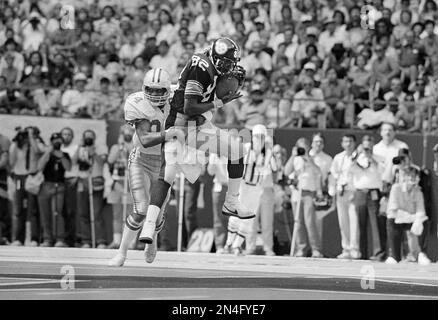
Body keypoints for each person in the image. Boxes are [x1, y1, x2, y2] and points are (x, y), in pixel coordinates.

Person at [137, 38, 251, 256]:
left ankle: (231, 202)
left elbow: (199, 109)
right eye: (226, 63)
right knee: (168, 173)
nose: (229, 68)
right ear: (215, 56)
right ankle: (149, 225)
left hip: (197, 124)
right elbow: (190, 107)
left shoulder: (213, 64)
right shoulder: (202, 66)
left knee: (237, 150)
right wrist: (220, 102)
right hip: (180, 123)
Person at [108, 67, 182, 266]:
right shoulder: (136, 102)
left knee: (157, 213)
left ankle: (153, 241)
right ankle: (122, 253)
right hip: (141, 159)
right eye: (152, 89)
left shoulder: (178, 96)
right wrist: (169, 134)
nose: (156, 94)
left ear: (168, 90)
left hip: (165, 162)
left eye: (160, 90)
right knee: (141, 209)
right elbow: (145, 139)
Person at [223, 125, 275, 256]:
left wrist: (269, 155)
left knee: (249, 218)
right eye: (257, 136)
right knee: (235, 215)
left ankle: (237, 245)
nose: (259, 139)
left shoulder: (268, 152)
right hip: (243, 185)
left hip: (257, 188)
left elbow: (272, 168)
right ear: (253, 137)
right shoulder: (246, 148)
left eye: (262, 137)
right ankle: (228, 244)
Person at [284, 137, 324, 258]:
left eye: (305, 146)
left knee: (310, 221)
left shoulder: (312, 158)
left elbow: (319, 172)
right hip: (297, 192)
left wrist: (308, 160)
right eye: (300, 147)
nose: (303, 149)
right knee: (298, 222)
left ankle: (316, 249)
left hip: (309, 193)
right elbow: (286, 172)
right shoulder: (295, 159)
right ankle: (301, 248)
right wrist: (292, 156)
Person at [349, 135, 386, 261]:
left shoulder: (379, 158)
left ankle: (379, 252)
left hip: (373, 193)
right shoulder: (356, 157)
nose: (367, 147)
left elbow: (382, 172)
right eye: (365, 144)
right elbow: (349, 169)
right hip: (360, 192)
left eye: (369, 144)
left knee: (376, 223)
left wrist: (371, 157)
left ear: (373, 144)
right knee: (360, 223)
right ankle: (362, 252)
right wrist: (356, 155)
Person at [385, 167, 431, 265]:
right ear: (404, 177)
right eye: (409, 175)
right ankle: (394, 256)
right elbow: (393, 211)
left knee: (424, 221)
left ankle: (421, 254)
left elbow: (421, 211)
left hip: (410, 221)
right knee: (391, 220)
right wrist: (413, 217)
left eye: (414, 176)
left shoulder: (418, 192)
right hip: (397, 220)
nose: (412, 178)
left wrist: (417, 220)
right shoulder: (395, 188)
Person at [9, 127, 45, 246]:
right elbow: (11, 162)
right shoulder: (17, 146)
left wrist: (31, 138)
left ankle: (35, 238)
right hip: (20, 177)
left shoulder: (37, 143)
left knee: (33, 209)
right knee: (19, 209)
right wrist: (17, 140)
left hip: (32, 178)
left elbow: (37, 151)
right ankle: (19, 238)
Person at [74, 129, 108, 249]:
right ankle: (86, 240)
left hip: (96, 180)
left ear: (94, 138)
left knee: (97, 212)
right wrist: (80, 147)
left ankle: (100, 240)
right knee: (83, 213)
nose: (88, 140)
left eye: (90, 137)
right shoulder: (80, 148)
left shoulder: (100, 148)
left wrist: (93, 152)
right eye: (86, 137)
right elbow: (73, 162)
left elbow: (103, 162)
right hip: (83, 181)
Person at [37, 132, 71, 247]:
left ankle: (59, 238)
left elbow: (68, 167)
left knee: (57, 212)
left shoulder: (65, 154)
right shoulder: (47, 154)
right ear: (51, 141)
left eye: (59, 140)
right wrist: (48, 151)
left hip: (59, 186)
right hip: (46, 185)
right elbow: (39, 167)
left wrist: (61, 156)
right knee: (45, 213)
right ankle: (47, 238)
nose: (57, 142)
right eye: (55, 140)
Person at [330, 134, 360, 259]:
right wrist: (333, 190)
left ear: (354, 143)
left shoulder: (359, 156)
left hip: (353, 191)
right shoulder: (338, 157)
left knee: (354, 221)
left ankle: (354, 249)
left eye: (350, 141)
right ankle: (346, 248)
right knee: (343, 221)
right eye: (345, 141)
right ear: (342, 143)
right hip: (341, 192)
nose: (348, 144)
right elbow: (333, 174)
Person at [106, 125, 134, 249]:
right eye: (124, 132)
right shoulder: (116, 147)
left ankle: (131, 242)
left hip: (132, 182)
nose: (127, 134)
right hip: (117, 182)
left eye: (129, 132)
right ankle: (116, 241)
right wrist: (120, 147)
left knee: (130, 214)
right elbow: (110, 161)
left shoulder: (137, 146)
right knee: (117, 213)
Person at [60, 127, 78, 247]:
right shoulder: (57, 147)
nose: (66, 136)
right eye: (64, 134)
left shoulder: (75, 148)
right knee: (60, 211)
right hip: (59, 181)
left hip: (71, 181)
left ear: (72, 136)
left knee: (71, 211)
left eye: (68, 134)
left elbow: (73, 164)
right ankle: (61, 238)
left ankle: (70, 239)